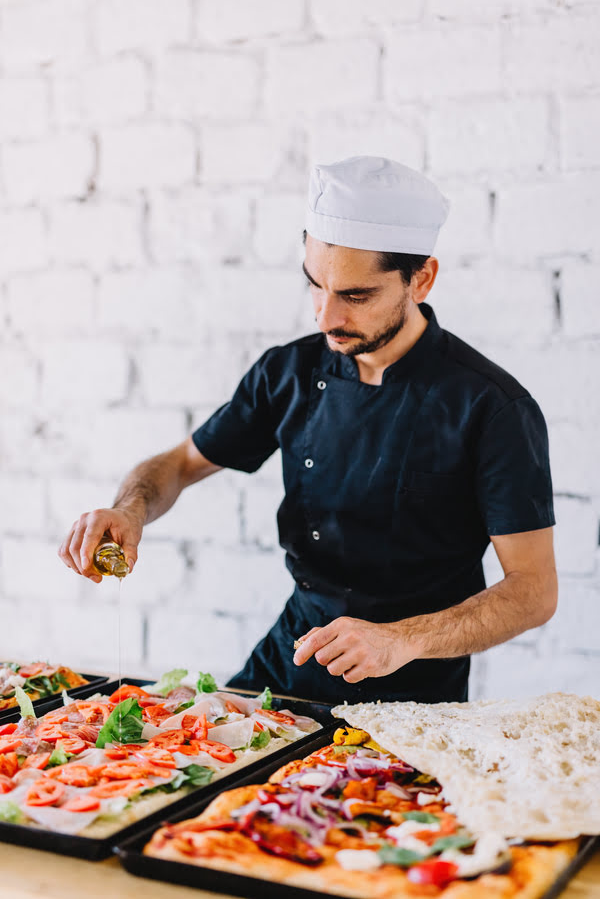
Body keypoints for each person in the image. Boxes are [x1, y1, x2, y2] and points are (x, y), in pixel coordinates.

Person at [59, 156, 557, 705]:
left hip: (412, 689)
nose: (325, 317)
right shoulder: (288, 372)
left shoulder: (493, 406)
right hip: (288, 655)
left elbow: (533, 591)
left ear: (422, 278)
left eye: (355, 295)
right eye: (315, 286)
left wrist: (400, 640)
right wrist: (130, 509)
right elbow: (179, 464)